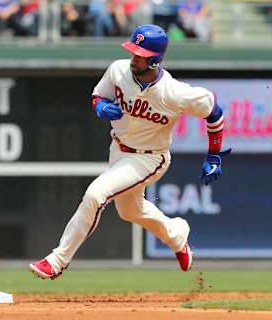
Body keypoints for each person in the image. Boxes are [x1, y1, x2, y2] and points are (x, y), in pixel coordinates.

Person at [29, 24, 231, 280]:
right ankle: (177, 234)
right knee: (130, 211)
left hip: (150, 157)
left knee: (95, 194)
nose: (133, 57)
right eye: (133, 51)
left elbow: (215, 112)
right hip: (118, 149)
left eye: (140, 54)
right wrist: (100, 107)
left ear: (156, 60)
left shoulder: (176, 93)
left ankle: (57, 261)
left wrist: (213, 155)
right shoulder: (118, 70)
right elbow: (98, 96)